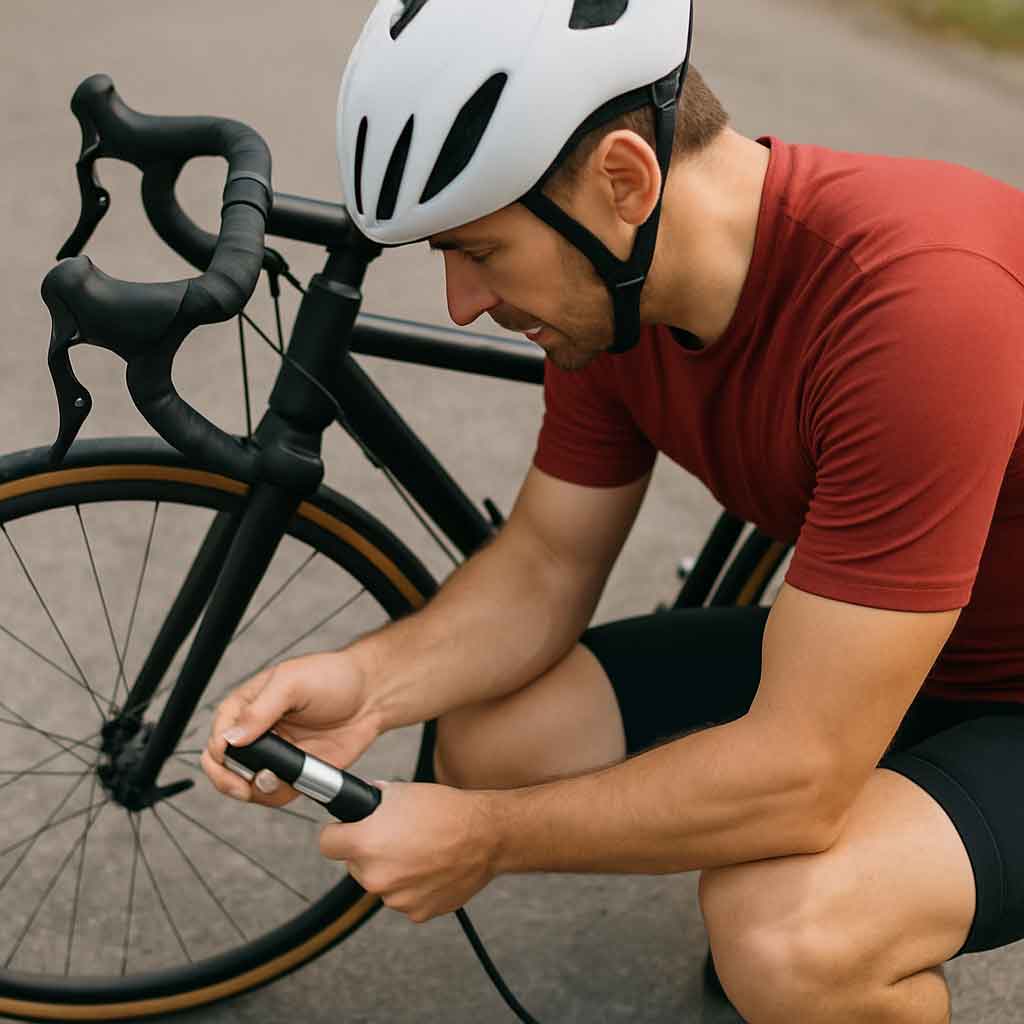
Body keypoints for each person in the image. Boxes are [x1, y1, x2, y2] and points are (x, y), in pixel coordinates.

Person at [202, 2, 1024, 1020]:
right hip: (896, 658)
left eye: (481, 251)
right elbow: (545, 562)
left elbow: (800, 770)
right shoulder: (615, 296)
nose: (460, 301)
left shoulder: (917, 303)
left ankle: (848, 929)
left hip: (1001, 696)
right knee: (491, 741)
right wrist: (365, 683)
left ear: (625, 181)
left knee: (782, 932)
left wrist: (485, 837)